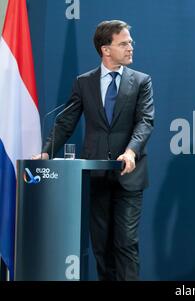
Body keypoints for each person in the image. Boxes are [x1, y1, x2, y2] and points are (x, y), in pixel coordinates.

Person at [33, 20, 154, 281]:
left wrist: (131, 151)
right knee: (101, 247)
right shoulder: (84, 82)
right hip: (95, 177)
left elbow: (145, 122)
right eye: (124, 43)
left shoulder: (142, 81)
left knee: (126, 244)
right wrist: (46, 153)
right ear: (105, 50)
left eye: (130, 42)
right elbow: (66, 121)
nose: (131, 47)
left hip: (129, 175)